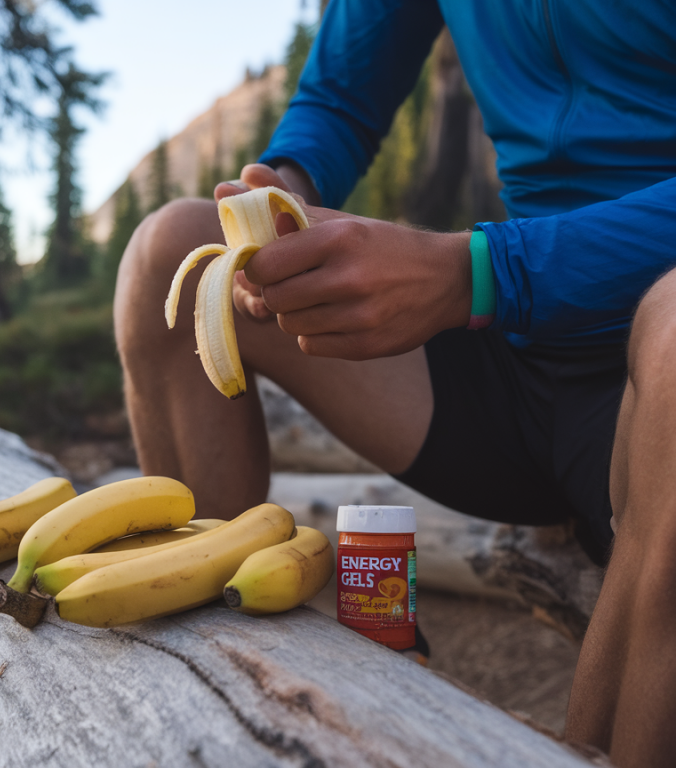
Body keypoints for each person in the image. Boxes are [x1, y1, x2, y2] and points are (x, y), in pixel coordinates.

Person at [113, 2, 676, 765]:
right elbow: (340, 98)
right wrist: (282, 192)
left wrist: (480, 272)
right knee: (170, 255)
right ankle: (213, 694)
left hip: (643, 376)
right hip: (513, 368)